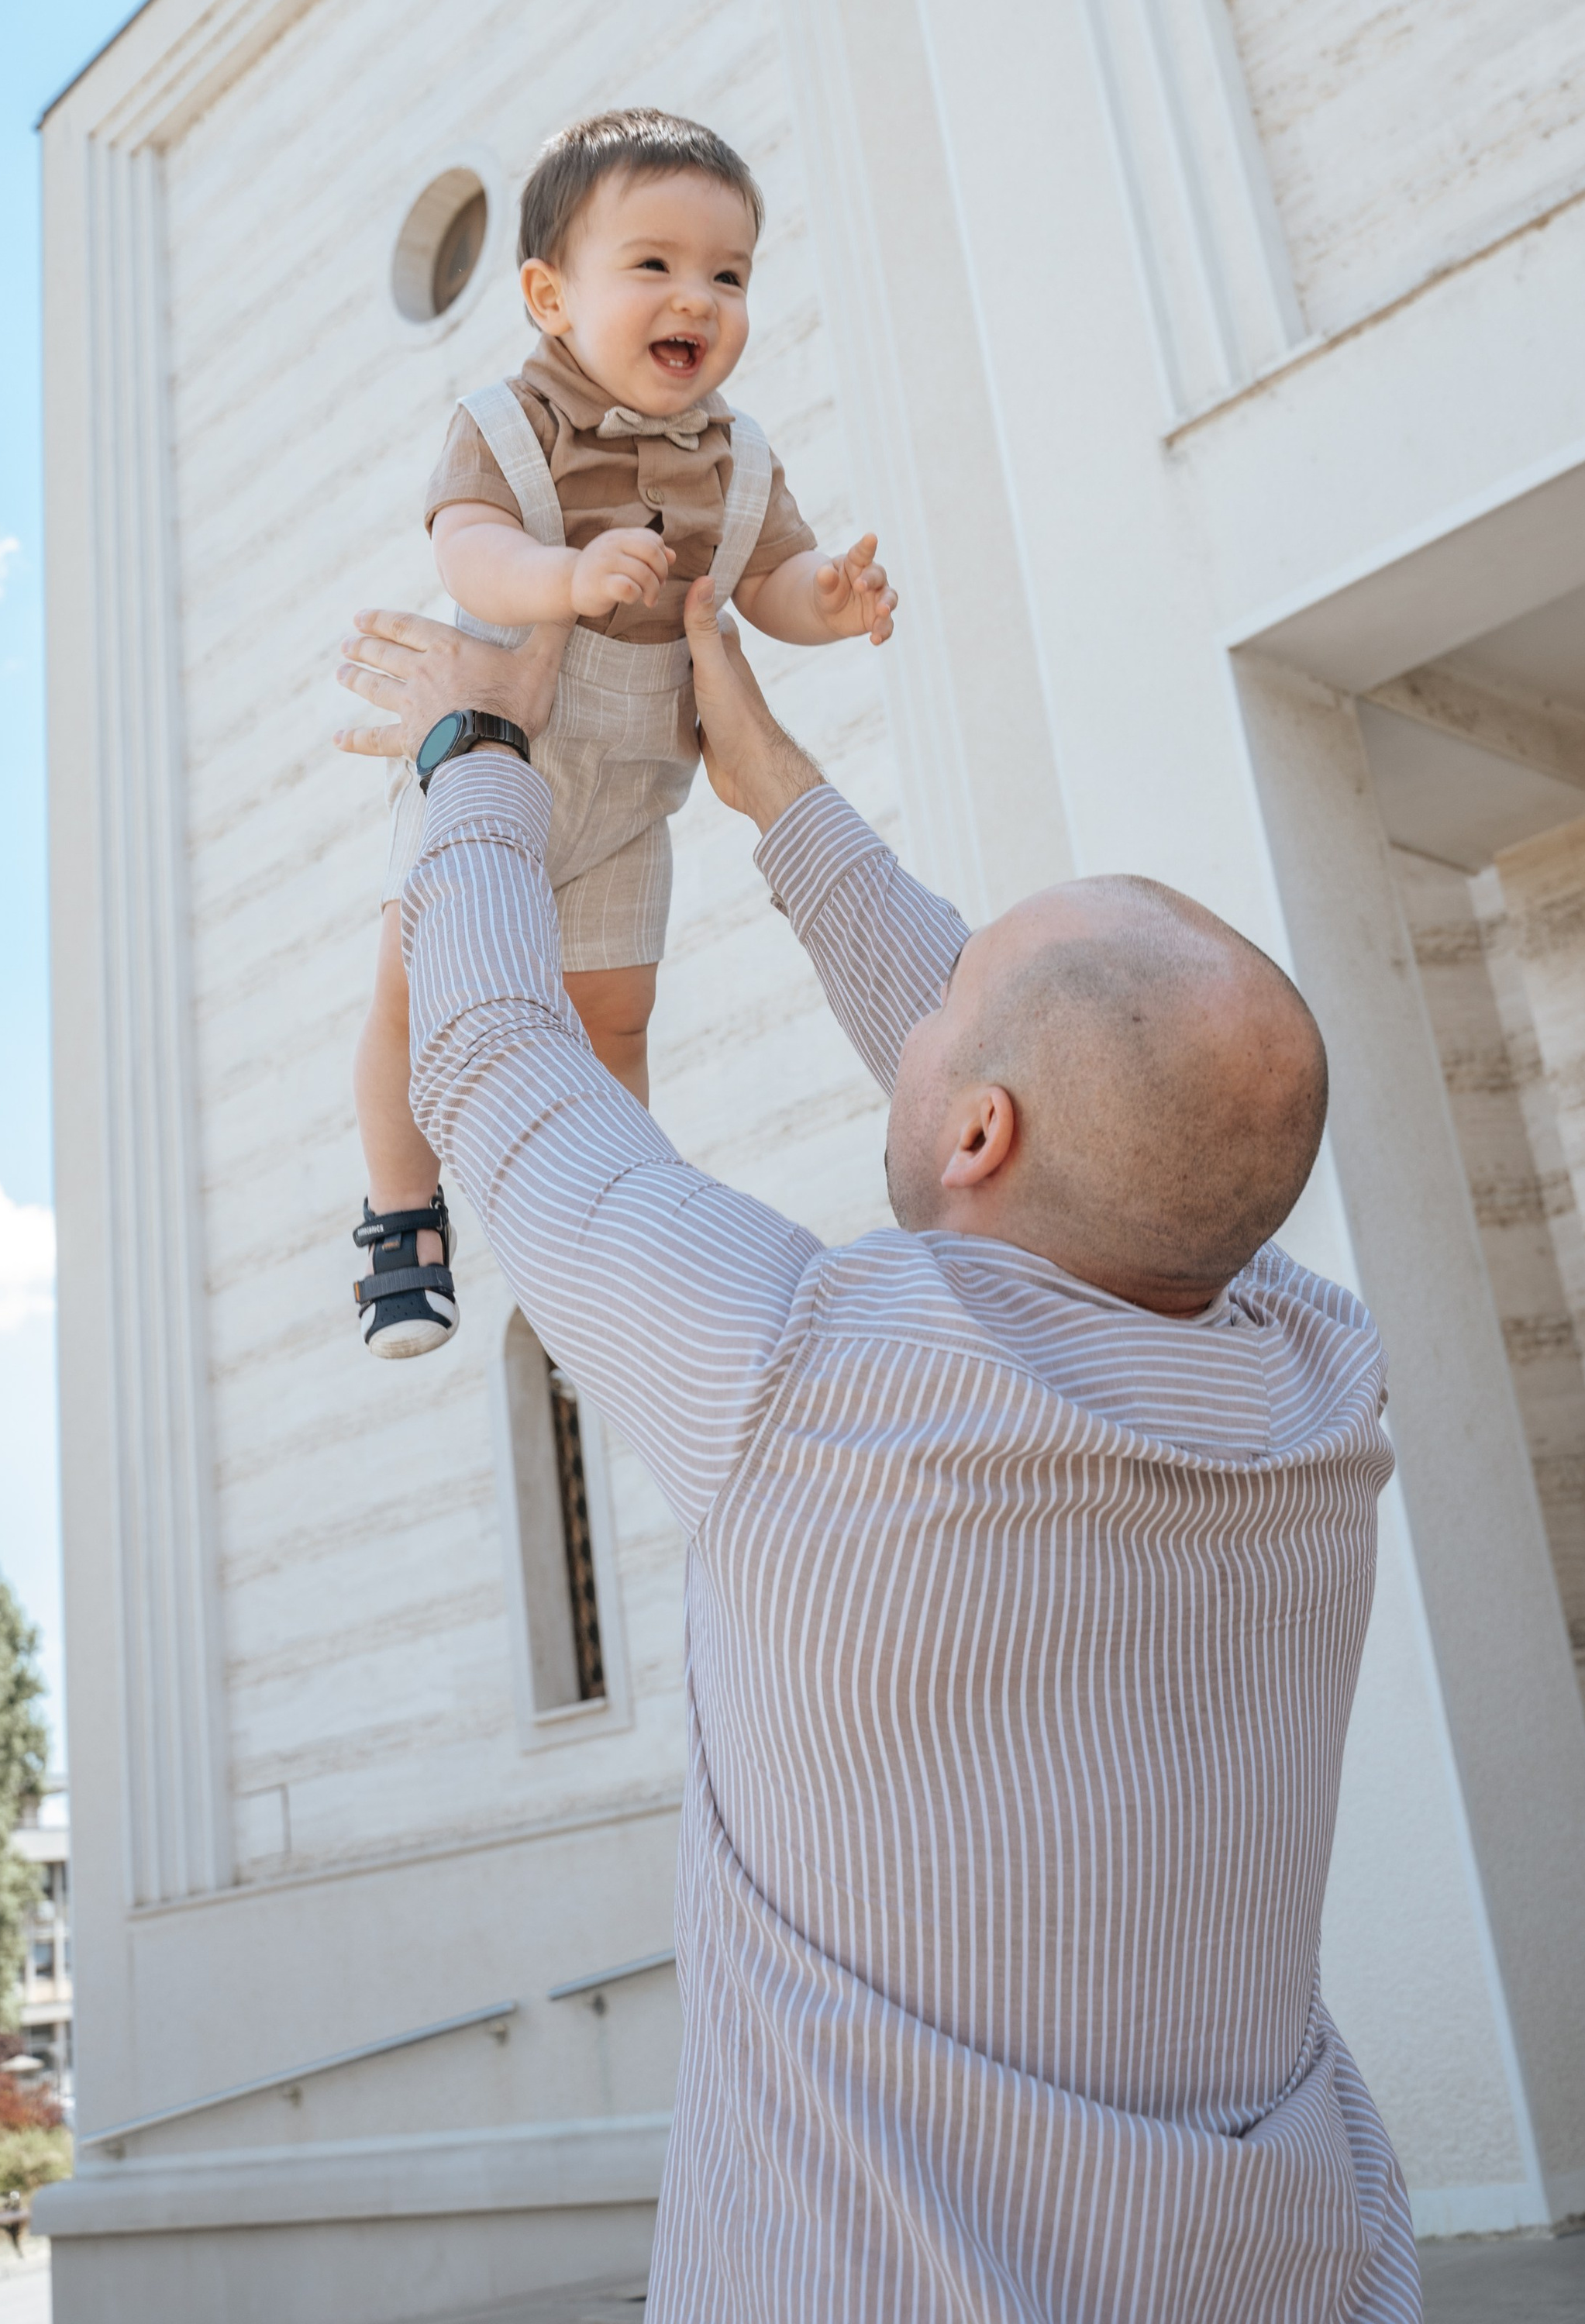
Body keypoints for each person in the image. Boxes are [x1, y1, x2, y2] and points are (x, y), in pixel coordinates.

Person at [333, 585, 1421, 2322]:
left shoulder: (806, 1385)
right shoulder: (1320, 1386)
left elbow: (488, 1055)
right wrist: (773, 786)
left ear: (979, 1122)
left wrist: (474, 745)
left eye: (941, 1012)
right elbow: (1116, 1103)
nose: (911, 1017)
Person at [350, 108, 896, 1358]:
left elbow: (770, 579)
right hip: (493, 761)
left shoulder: (736, 460)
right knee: (408, 990)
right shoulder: (509, 424)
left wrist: (829, 601)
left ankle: (598, 1233)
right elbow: (469, 552)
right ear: (551, 295)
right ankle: (401, 1217)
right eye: (653, 264)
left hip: (627, 802)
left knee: (615, 1021)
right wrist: (564, 577)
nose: (695, 297)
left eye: (729, 274)